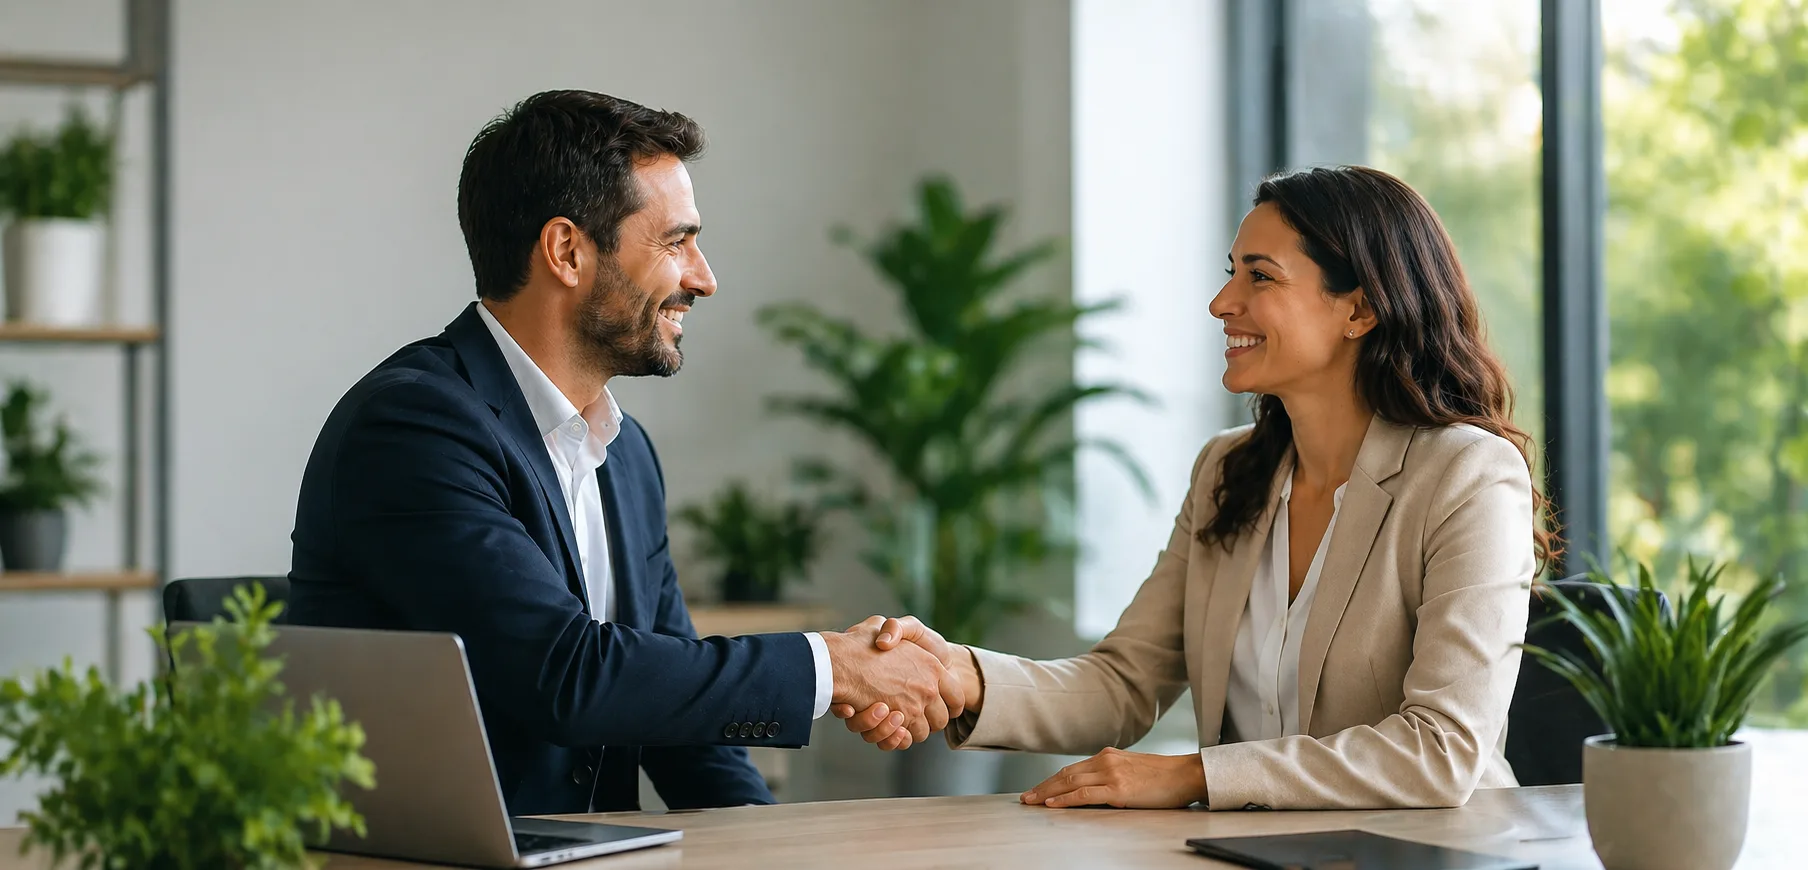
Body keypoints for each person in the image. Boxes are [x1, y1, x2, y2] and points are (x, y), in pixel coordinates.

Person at [287, 90, 952, 816]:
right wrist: (830, 668)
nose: (703, 277)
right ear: (567, 252)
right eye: (676, 242)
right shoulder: (413, 427)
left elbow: (686, 737)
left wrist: (769, 846)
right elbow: (564, 674)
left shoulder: (626, 455)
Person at [839, 165, 1552, 811]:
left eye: (1260, 277)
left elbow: (1441, 750)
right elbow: (1123, 683)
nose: (1221, 302)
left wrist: (1194, 776)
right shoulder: (1227, 470)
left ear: (1358, 311)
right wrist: (958, 674)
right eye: (1230, 273)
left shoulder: (1467, 474)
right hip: (1247, 853)